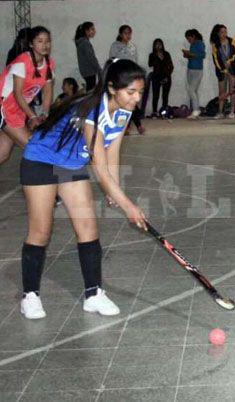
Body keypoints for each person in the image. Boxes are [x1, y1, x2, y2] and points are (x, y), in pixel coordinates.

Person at [18, 59, 148, 319]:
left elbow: (113, 151)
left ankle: (93, 294)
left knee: (88, 227)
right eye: (131, 92)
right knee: (41, 231)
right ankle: (29, 295)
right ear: (112, 88)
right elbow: (100, 167)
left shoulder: (124, 111)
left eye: (140, 92)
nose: (137, 99)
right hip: (41, 160)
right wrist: (128, 206)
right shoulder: (91, 111)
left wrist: (115, 190)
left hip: (71, 164)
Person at [0, 26, 55, 166]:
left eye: (47, 41)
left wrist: (45, 113)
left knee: (3, 153)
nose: (45, 45)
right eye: (40, 41)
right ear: (31, 43)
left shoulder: (49, 63)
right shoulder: (22, 61)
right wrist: (32, 116)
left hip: (16, 110)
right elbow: (18, 94)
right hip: (4, 108)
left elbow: (48, 91)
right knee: (34, 147)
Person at [109, 25, 145, 134]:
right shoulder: (115, 46)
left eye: (129, 33)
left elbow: (135, 61)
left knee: (132, 101)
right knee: (123, 102)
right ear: (120, 34)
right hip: (121, 77)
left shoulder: (132, 46)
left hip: (132, 78)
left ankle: (135, 125)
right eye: (125, 33)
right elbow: (112, 60)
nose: (128, 35)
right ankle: (126, 126)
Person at [209, 24, 235, 119]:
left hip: (232, 68)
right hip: (221, 70)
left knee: (232, 90)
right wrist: (223, 69)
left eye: (225, 32)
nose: (224, 34)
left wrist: (229, 61)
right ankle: (220, 112)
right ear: (217, 33)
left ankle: (232, 111)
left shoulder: (232, 41)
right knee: (222, 91)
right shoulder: (215, 44)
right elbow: (215, 59)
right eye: (222, 32)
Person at [182, 29, 205, 119]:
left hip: (197, 70)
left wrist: (190, 54)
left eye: (189, 38)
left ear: (193, 36)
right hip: (190, 68)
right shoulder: (192, 44)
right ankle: (196, 109)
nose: (188, 40)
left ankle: (196, 110)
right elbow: (193, 56)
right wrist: (187, 55)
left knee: (191, 90)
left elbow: (202, 55)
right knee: (194, 91)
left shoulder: (199, 43)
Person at [147, 38, 174, 118]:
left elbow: (171, 66)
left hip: (166, 77)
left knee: (165, 96)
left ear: (162, 45)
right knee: (155, 95)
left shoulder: (166, 54)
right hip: (156, 77)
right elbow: (150, 64)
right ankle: (154, 112)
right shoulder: (152, 55)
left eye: (160, 44)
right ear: (154, 46)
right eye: (157, 44)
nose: (158, 46)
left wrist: (167, 76)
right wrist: (156, 57)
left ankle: (164, 112)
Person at [74, 21, 102, 91]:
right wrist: (99, 69)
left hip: (86, 71)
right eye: (92, 29)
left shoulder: (82, 42)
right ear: (86, 31)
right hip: (89, 71)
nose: (94, 31)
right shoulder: (85, 43)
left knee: (90, 90)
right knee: (91, 91)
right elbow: (91, 58)